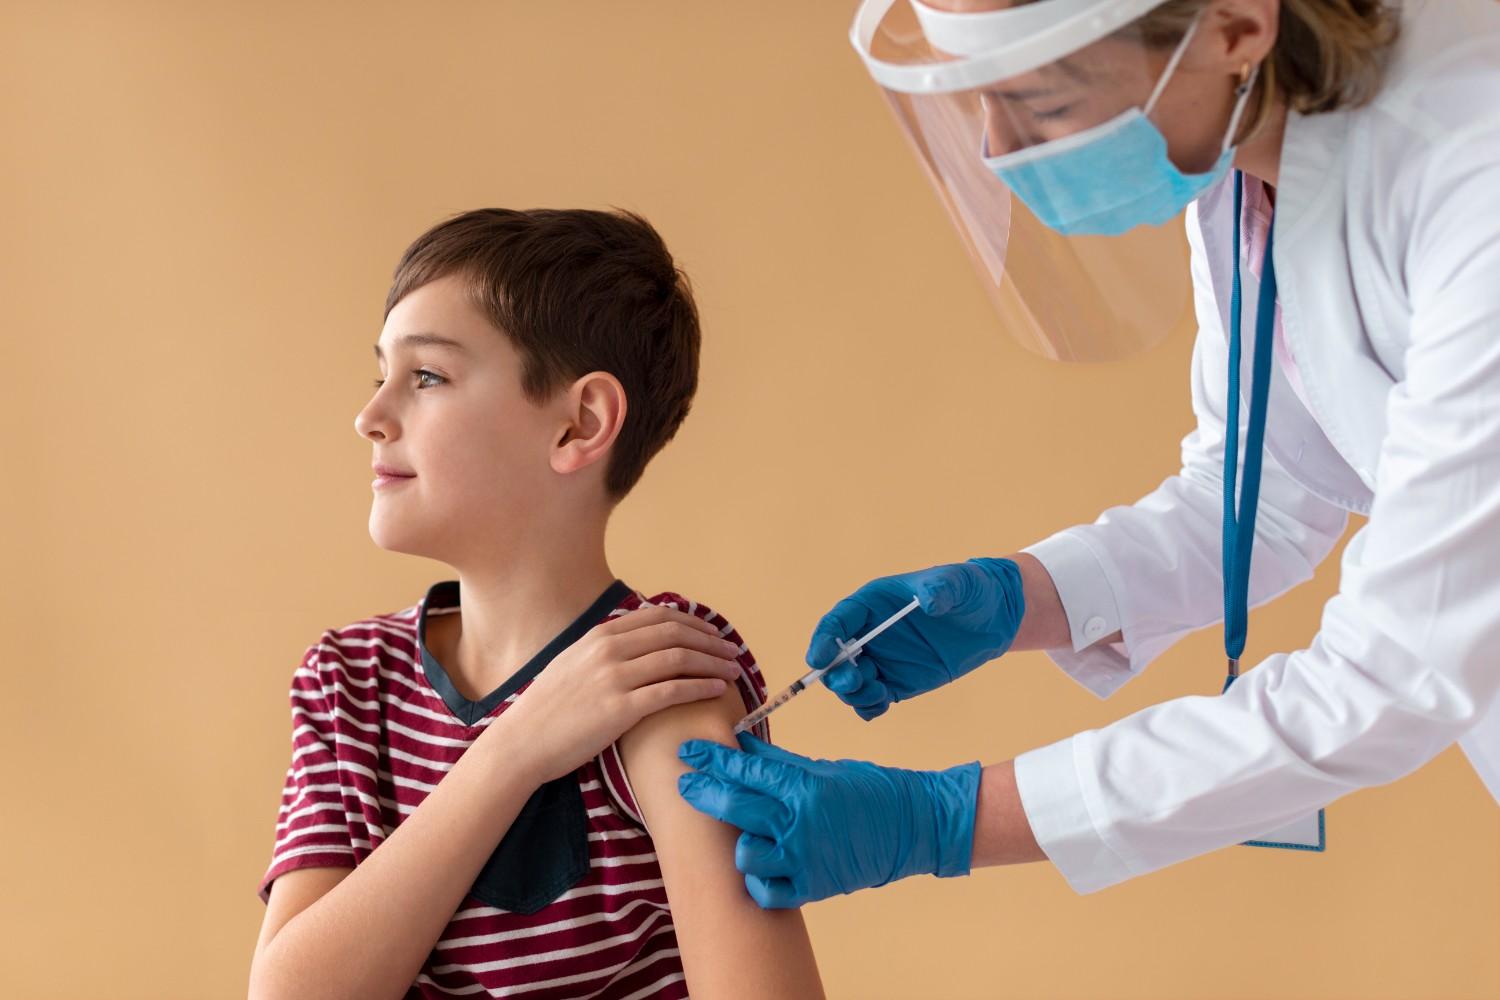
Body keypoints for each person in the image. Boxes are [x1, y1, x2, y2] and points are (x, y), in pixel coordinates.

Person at [678, 0, 1500, 908]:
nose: (998, 150)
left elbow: (1397, 669)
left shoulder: (1477, 180)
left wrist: (942, 819)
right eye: (978, 103)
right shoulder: (1232, 146)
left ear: (1234, 26)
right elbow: (1267, 490)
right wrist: (1023, 598)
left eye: (1044, 104)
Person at [249, 208, 824, 999]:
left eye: (426, 377)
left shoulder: (659, 679)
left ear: (578, 424)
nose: (370, 417)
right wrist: (512, 751)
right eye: (379, 373)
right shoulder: (349, 681)